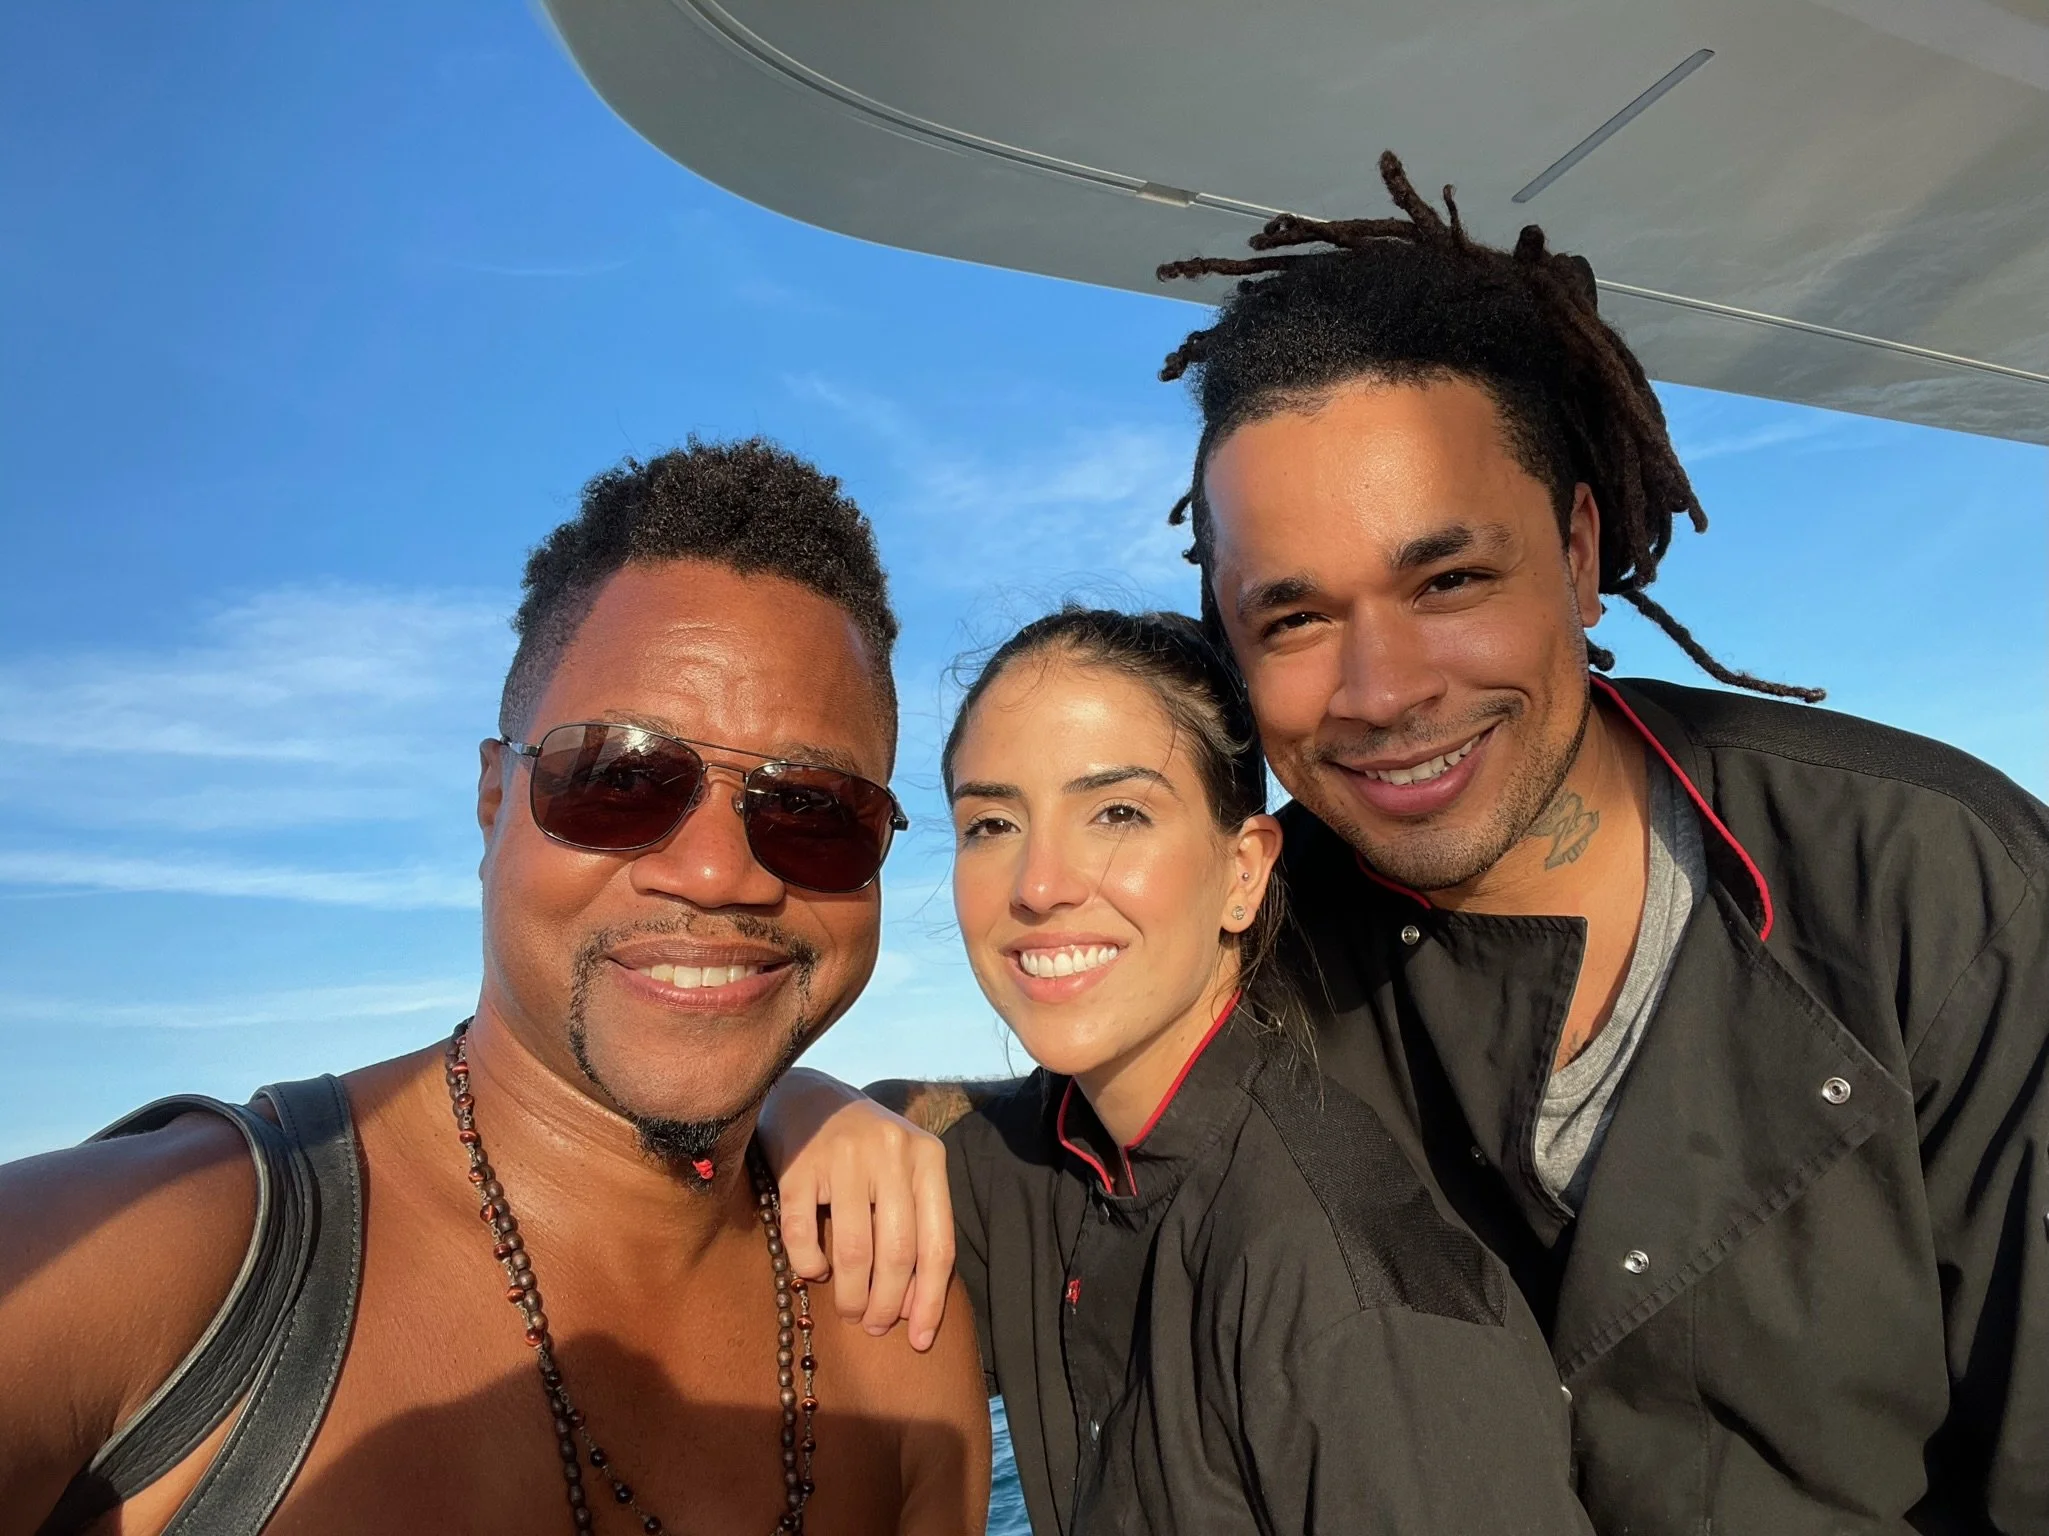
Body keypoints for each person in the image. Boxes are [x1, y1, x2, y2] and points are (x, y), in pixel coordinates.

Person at [761, 155, 2049, 1533]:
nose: (1381, 692)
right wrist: (814, 1103)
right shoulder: (1270, 921)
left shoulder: (1943, 892)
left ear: (1574, 549)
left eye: (1447, 581)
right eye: (1296, 617)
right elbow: (1053, 1124)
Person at [0, 440, 990, 1536]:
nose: (716, 874)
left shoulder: (899, 1331)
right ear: (492, 797)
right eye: (617, 778)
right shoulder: (158, 1267)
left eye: (815, 808)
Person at [925, 604, 1589, 1534]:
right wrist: (802, 1109)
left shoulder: (1348, 1291)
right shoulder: (1032, 1164)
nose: (1038, 885)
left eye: (1116, 812)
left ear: (1243, 872)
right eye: (990, 823)